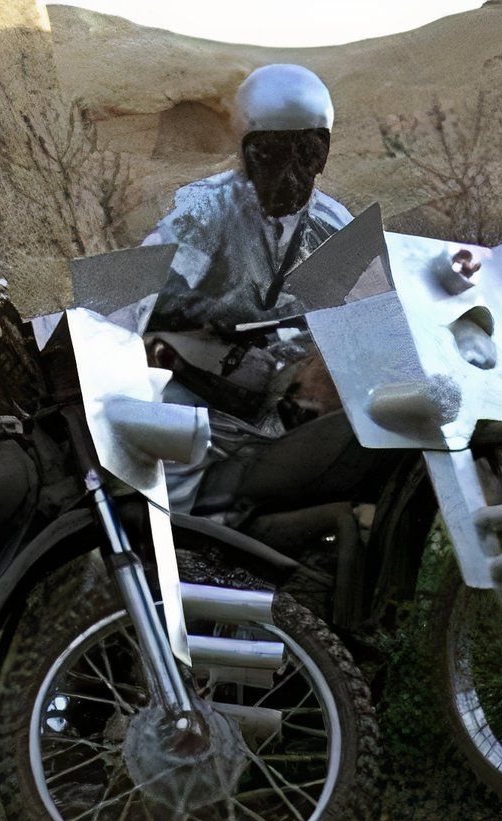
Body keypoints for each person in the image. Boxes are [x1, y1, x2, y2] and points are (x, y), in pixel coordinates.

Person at [144, 63, 350, 510]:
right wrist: (217, 309)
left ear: (324, 153)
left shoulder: (337, 228)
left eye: (307, 153)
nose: (290, 170)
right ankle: (171, 552)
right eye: (271, 153)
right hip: (202, 383)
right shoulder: (204, 212)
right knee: (174, 451)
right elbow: (141, 294)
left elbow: (367, 314)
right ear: (246, 151)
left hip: (290, 393)